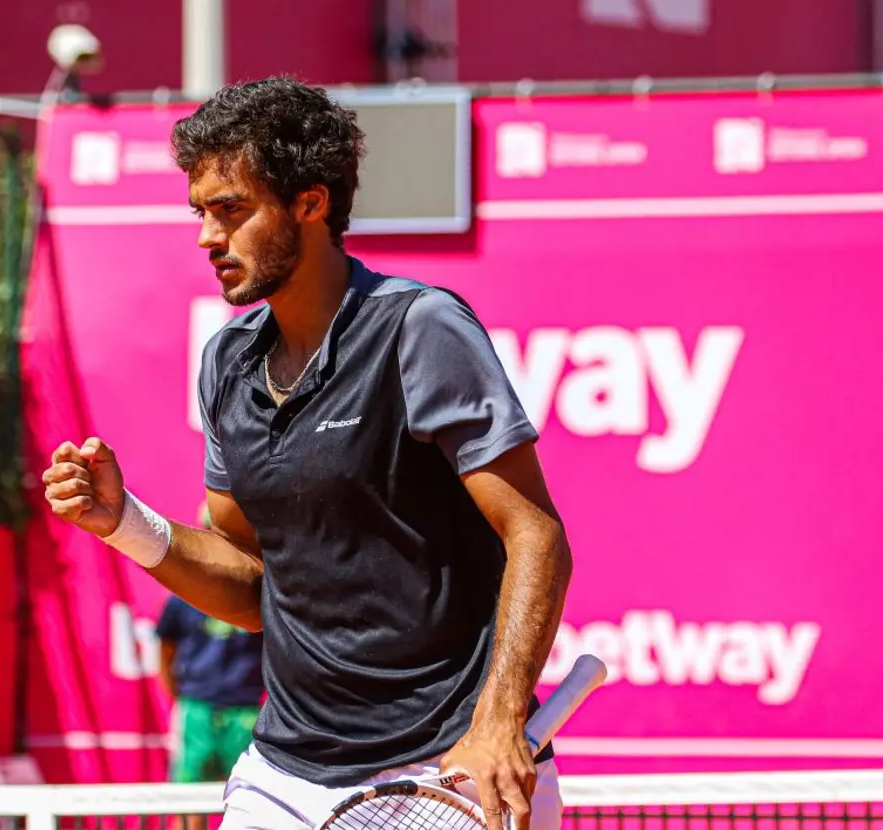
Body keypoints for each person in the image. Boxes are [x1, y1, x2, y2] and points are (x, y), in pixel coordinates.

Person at [42, 76, 573, 830]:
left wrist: (496, 723)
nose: (206, 236)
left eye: (231, 210)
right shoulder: (225, 362)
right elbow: (251, 585)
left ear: (311, 203)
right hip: (285, 773)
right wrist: (123, 520)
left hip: (448, 761)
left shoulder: (419, 330)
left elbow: (537, 534)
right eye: (200, 212)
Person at [156, 505, 265, 796]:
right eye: (212, 535)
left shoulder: (262, 592)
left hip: (246, 712)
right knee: (186, 800)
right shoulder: (180, 598)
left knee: (250, 799)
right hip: (197, 709)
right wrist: (183, 700)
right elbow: (165, 651)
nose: (221, 545)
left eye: (229, 537)